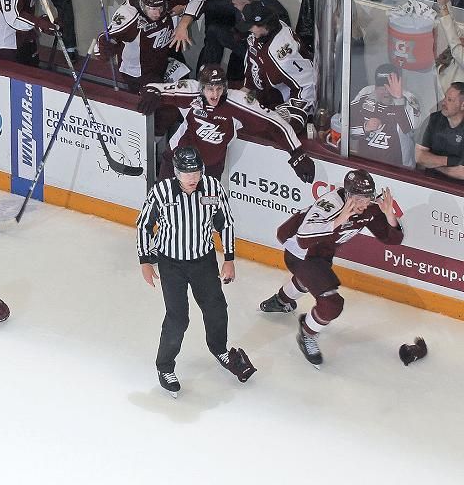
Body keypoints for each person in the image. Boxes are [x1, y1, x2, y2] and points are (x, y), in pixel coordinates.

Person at [136, 145, 256, 396]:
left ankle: (219, 349)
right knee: (178, 318)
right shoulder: (162, 192)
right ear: (176, 173)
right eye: (185, 173)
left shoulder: (212, 189)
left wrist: (229, 258)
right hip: (172, 264)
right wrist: (145, 261)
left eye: (195, 172)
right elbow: (144, 225)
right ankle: (165, 366)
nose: (191, 178)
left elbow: (226, 223)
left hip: (203, 260)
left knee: (216, 308)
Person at [260, 169, 403, 366]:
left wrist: (389, 214)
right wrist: (338, 220)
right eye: (359, 198)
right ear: (348, 194)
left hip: (321, 255)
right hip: (299, 254)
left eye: (368, 197)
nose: (364, 204)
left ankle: (281, 300)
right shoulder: (330, 204)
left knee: (310, 280)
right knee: (332, 304)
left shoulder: (369, 208)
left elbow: (393, 239)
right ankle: (307, 333)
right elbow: (303, 240)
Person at [138, 63, 316, 181]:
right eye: (209, 89)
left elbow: (275, 123)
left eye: (219, 88)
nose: (214, 94)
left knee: (205, 212)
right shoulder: (190, 91)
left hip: (210, 168)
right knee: (165, 202)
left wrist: (296, 153)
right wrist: (150, 94)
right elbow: (154, 88)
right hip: (176, 159)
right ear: (201, 87)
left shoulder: (240, 102)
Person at [90, 0, 206, 93]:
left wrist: (183, 24)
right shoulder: (127, 17)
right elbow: (101, 45)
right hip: (138, 73)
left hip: (162, 60)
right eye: (153, 8)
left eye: (161, 7)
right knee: (153, 102)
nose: (158, 13)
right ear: (142, 2)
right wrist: (105, 48)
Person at [238, 0, 316, 132]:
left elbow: (308, 85)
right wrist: (241, 96)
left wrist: (288, 114)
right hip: (265, 99)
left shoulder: (282, 53)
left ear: (264, 25)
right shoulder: (260, 35)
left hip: (285, 105)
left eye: (252, 26)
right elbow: (251, 75)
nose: (249, 30)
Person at [348, 63, 421, 167]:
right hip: (365, 164)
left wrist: (398, 99)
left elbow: (410, 129)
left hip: (399, 168)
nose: (386, 92)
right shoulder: (365, 93)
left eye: (390, 87)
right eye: (382, 88)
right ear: (375, 86)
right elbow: (345, 125)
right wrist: (365, 127)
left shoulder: (409, 98)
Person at [415, 81, 464, 179]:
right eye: (445, 97)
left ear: (463, 105)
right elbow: (418, 156)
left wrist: (433, 165)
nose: (444, 102)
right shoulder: (434, 119)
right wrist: (449, 161)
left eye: (450, 100)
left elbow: (462, 173)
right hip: (428, 181)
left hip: (458, 190)